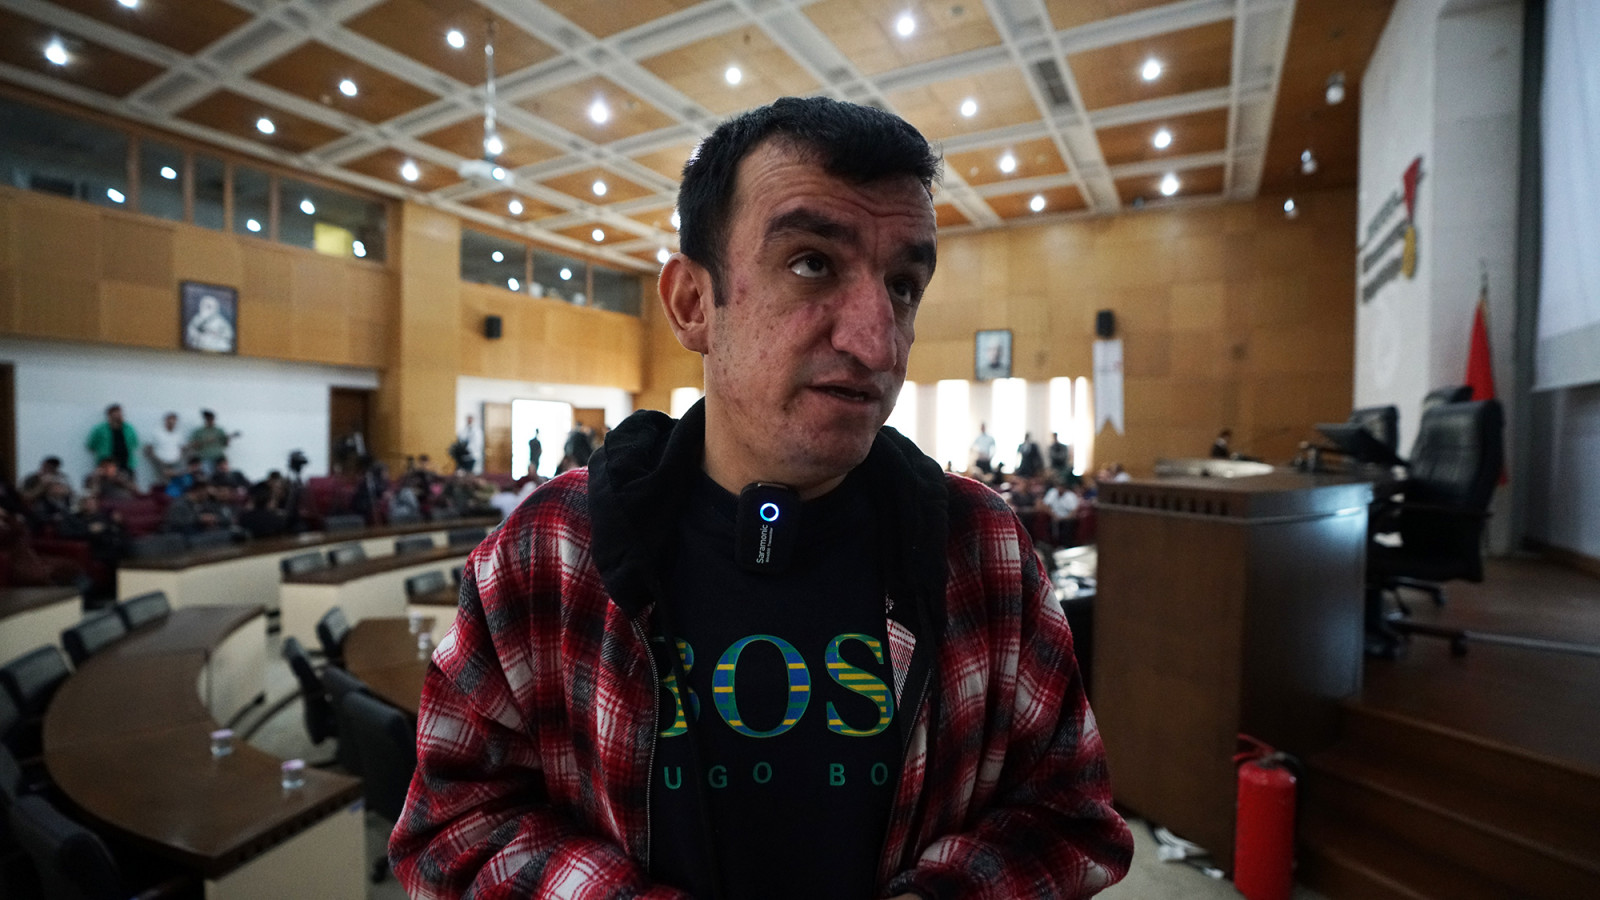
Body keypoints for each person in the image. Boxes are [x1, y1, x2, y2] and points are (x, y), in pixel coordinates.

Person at [391, 97, 1130, 900]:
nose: (878, 342)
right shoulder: (546, 553)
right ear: (692, 304)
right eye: (811, 263)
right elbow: (450, 830)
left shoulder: (985, 550)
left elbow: (1071, 816)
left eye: (903, 284)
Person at [86, 403, 139, 475]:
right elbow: (91, 444)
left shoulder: (129, 428)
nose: (119, 416)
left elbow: (134, 443)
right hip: (107, 464)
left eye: (120, 413)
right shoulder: (100, 429)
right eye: (116, 414)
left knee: (127, 481)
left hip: (126, 463)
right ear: (110, 415)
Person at [144, 411, 185, 487]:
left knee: (175, 481)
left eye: (174, 421)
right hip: (161, 462)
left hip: (175, 462)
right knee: (163, 482)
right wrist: (157, 460)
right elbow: (148, 448)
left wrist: (180, 458)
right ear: (166, 421)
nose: (172, 423)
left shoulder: (178, 433)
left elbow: (182, 448)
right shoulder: (157, 432)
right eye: (170, 421)